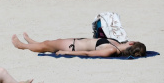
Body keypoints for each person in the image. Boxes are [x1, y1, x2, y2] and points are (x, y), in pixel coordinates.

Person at [12, 32, 147, 58]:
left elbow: (88, 53)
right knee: (49, 43)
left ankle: (22, 46)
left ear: (131, 43)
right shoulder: (116, 44)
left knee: (48, 45)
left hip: (72, 47)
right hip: (75, 42)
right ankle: (33, 42)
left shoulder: (111, 50)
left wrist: (67, 53)